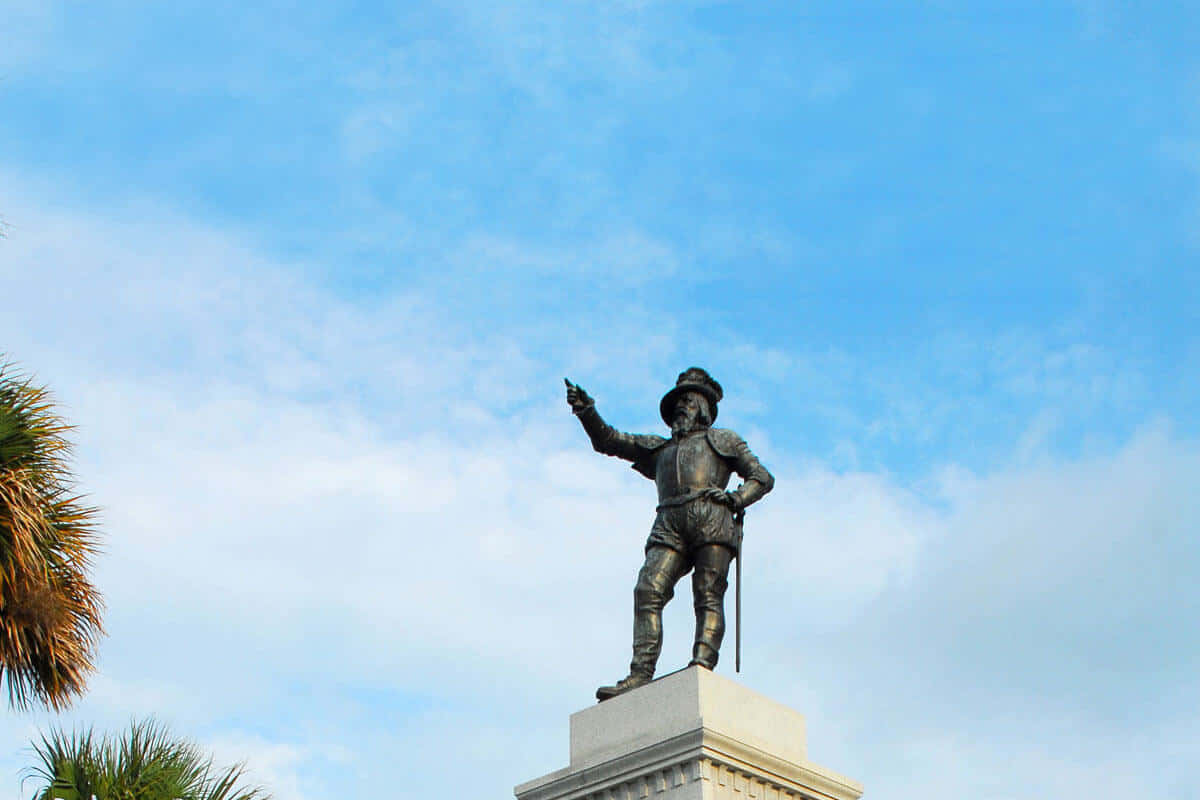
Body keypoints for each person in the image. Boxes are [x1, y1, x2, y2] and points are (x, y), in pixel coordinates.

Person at [565, 367, 774, 701]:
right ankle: (639, 674)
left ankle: (702, 663)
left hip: (711, 516)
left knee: (707, 594)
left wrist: (736, 498)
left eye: (689, 401)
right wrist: (587, 412)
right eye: (678, 401)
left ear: (704, 408)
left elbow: (761, 477)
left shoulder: (725, 440)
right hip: (669, 521)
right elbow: (609, 440)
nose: (682, 407)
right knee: (648, 589)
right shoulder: (659, 448)